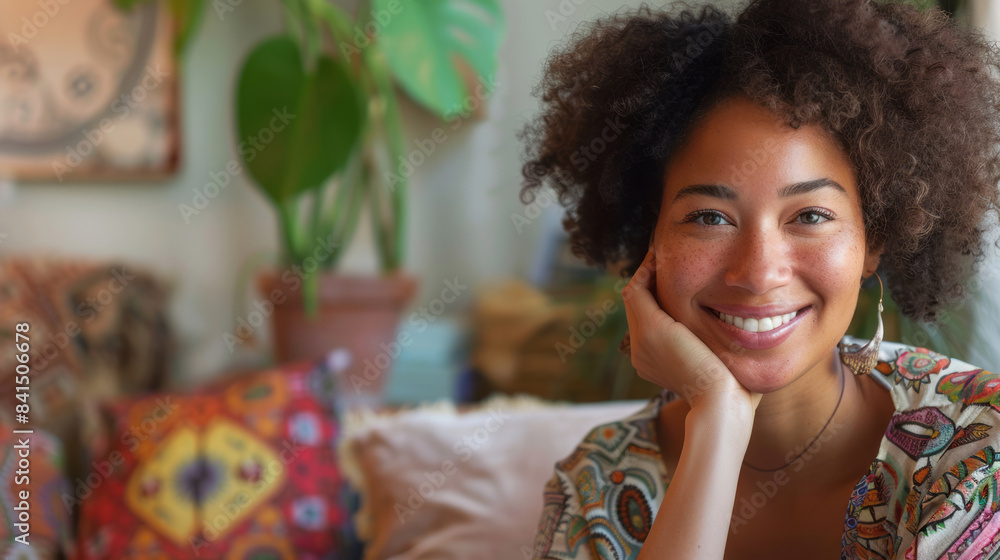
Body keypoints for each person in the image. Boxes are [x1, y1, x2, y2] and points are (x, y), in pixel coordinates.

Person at [518, 0, 1000, 558]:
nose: (757, 272)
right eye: (709, 217)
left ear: (875, 242)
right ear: (649, 240)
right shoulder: (595, 486)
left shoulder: (977, 449)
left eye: (810, 216)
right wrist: (718, 422)